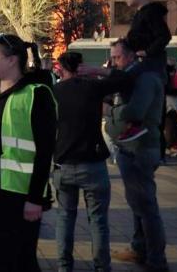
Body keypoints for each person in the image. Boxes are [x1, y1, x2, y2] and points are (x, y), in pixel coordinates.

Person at [0, 34, 57, 271]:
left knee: (21, 259)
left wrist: (35, 198)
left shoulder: (36, 94)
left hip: (18, 193)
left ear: (12, 60)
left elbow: (45, 151)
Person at [54, 52, 130, 272]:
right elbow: (125, 79)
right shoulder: (93, 88)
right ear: (82, 67)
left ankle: (64, 265)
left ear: (60, 68)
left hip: (64, 161)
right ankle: (101, 266)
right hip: (93, 162)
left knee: (65, 217)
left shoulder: (55, 91)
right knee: (98, 220)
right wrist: (98, 71)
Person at [105, 39, 168, 272]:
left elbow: (134, 111)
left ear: (131, 56)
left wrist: (109, 111)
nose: (114, 62)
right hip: (129, 147)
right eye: (112, 57)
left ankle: (156, 260)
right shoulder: (131, 78)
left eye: (118, 57)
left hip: (140, 147)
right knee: (138, 204)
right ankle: (139, 248)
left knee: (146, 206)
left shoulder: (145, 79)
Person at [121, 0, 172, 142]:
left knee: (126, 80)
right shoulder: (142, 14)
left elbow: (164, 35)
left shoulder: (151, 13)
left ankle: (135, 124)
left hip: (149, 65)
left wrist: (148, 52)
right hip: (146, 63)